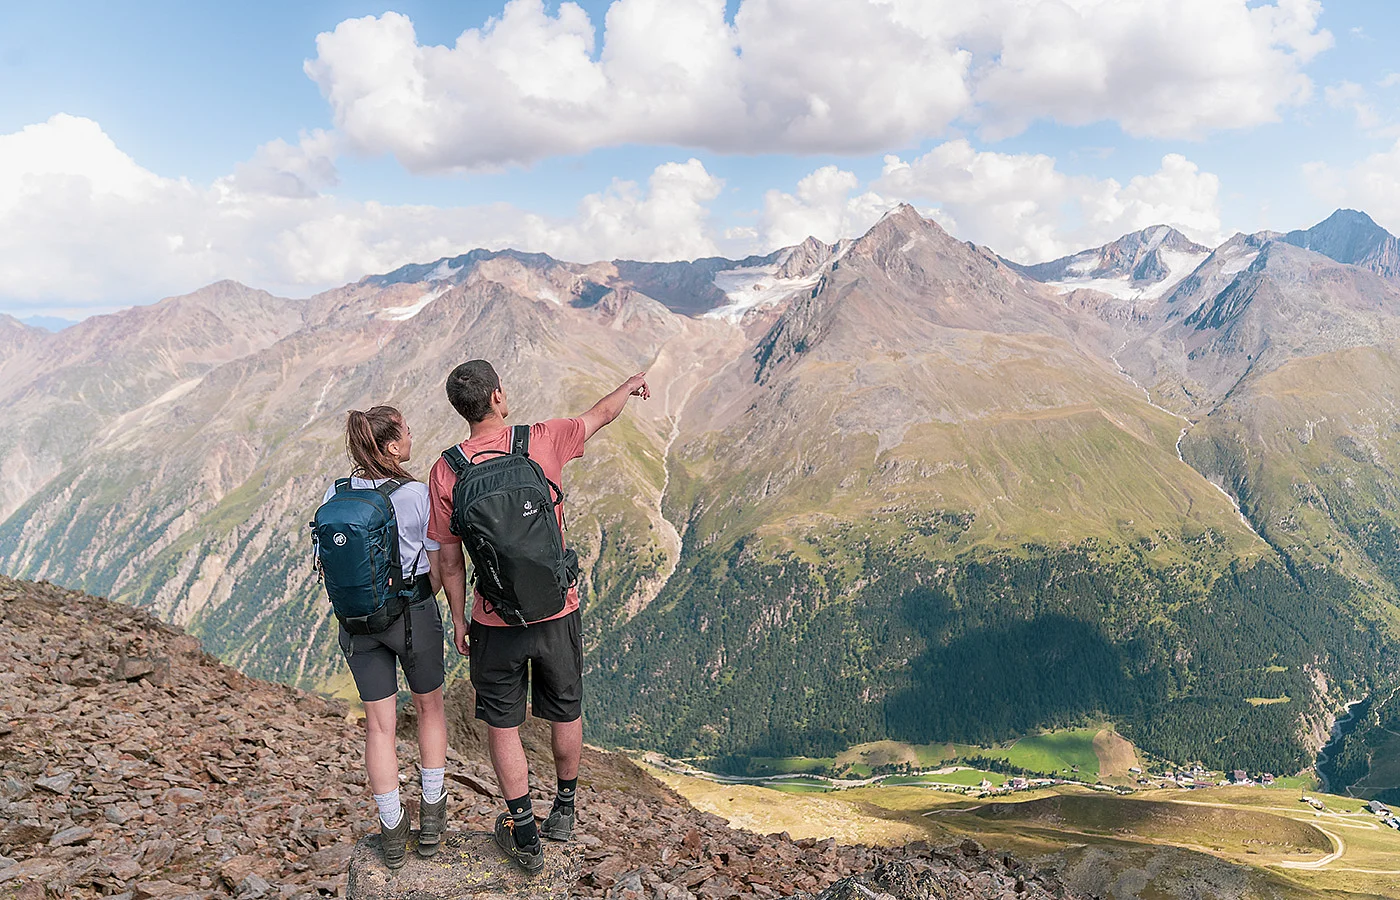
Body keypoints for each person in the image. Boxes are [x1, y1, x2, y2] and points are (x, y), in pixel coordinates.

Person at [427, 360, 649, 873]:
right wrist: (630, 384)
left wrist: (459, 620)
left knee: (503, 725)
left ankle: (524, 831)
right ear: (499, 397)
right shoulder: (542, 440)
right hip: (557, 610)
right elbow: (599, 416)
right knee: (565, 710)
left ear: (461, 410)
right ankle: (565, 809)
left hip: (493, 619)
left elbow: (449, 557)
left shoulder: (447, 470)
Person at [323, 407, 449, 869]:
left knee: (379, 726)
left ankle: (392, 832)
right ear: (393, 446)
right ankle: (432, 821)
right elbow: (437, 565)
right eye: (407, 431)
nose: (413, 436)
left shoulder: (335, 494)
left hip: (356, 624)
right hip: (412, 614)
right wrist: (423, 599)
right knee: (429, 709)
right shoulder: (416, 494)